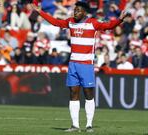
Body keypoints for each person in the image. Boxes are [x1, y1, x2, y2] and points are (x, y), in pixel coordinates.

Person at [31, 1, 128, 132]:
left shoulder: (93, 23)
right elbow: (55, 22)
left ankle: (89, 125)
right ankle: (75, 125)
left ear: (84, 12)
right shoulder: (70, 21)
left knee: (88, 94)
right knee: (73, 94)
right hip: (73, 65)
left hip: (86, 65)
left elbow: (109, 26)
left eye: (78, 10)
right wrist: (40, 12)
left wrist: (120, 19)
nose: (75, 12)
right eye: (74, 10)